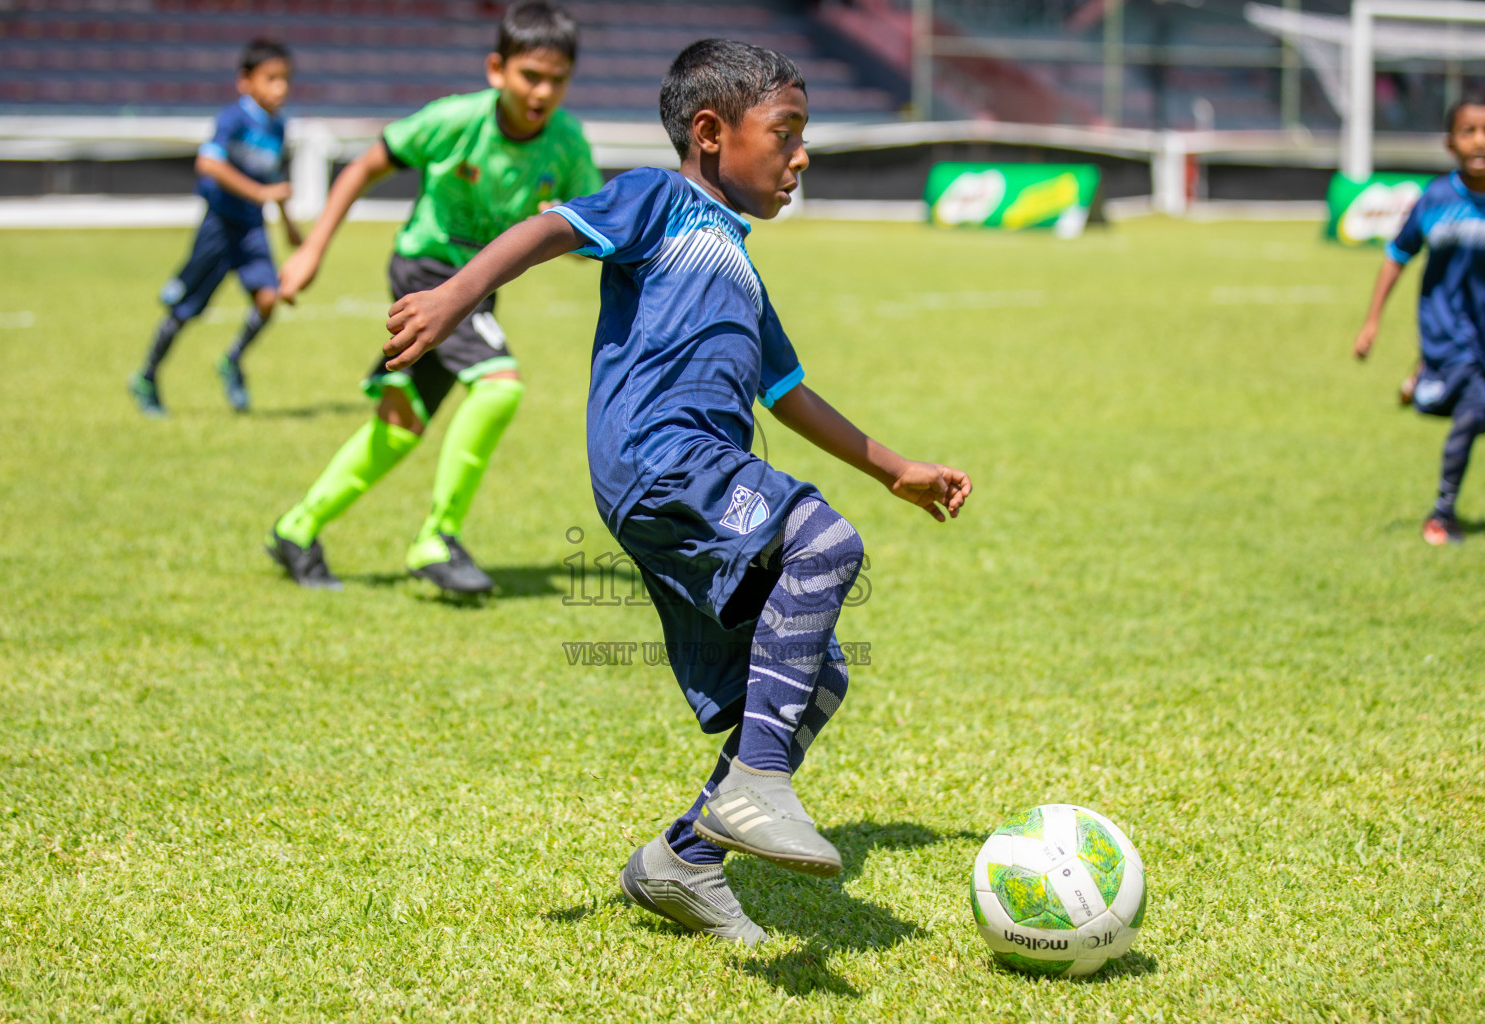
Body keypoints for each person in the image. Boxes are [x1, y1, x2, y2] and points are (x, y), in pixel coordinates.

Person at [380, 39, 971, 945]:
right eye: (787, 132)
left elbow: (789, 393)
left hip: (688, 480)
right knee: (826, 544)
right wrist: (457, 293)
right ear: (709, 132)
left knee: (822, 675)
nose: (800, 155)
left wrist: (896, 468)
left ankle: (682, 861)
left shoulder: (740, 262)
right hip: (664, 457)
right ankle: (758, 787)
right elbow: (548, 229)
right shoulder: (660, 201)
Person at [265, 0, 600, 594]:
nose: (542, 91)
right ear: (497, 69)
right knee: (500, 386)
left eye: (557, 79)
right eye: (530, 75)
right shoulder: (454, 120)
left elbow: (589, 243)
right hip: (425, 273)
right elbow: (365, 165)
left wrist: (564, 231)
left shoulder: (568, 144)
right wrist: (312, 250)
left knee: (400, 424)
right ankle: (436, 538)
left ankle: (297, 528)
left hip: (478, 290)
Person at [129, 38, 299, 417]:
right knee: (185, 310)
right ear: (245, 81)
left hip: (252, 228)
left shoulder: (279, 127)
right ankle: (146, 375)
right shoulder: (232, 119)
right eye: (271, 78)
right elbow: (208, 164)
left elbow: (274, 179)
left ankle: (232, 360)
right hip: (219, 226)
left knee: (268, 299)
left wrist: (289, 224)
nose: (280, 88)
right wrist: (258, 192)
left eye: (285, 79)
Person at [1355, 91, 1485, 546]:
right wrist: (1372, 322)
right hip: (1447, 332)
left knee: (1473, 407)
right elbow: (1397, 256)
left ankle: (1426, 387)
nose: (1480, 141)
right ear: (1450, 143)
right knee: (1476, 409)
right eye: (1468, 131)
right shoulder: (1436, 198)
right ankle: (1441, 516)